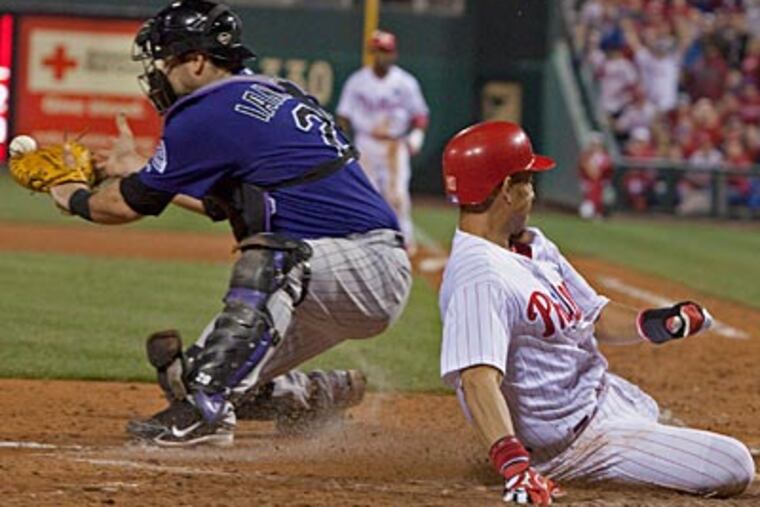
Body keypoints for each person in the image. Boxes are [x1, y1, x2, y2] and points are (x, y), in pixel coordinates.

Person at [48, 0, 411, 447]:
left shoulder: (205, 111)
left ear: (197, 61)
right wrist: (139, 168)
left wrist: (70, 193)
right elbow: (227, 205)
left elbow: (124, 208)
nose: (158, 72)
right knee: (198, 374)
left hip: (357, 263)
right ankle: (315, 395)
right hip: (336, 272)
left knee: (269, 258)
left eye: (165, 59)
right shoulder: (265, 92)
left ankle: (207, 416)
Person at [439, 121, 754, 505]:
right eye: (528, 182)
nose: (533, 193)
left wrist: (657, 323)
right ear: (507, 189)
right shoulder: (479, 275)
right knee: (733, 464)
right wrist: (515, 466)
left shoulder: (532, 244)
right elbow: (476, 380)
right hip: (573, 446)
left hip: (604, 400)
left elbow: (593, 315)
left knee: (648, 409)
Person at [336, 29, 429, 256]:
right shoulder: (358, 81)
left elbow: (420, 115)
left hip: (394, 145)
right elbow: (344, 115)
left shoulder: (405, 82)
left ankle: (404, 242)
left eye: (386, 51)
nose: (382, 56)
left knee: (397, 194)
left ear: (394, 54)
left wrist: (417, 135)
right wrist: (346, 141)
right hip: (366, 142)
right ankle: (366, 240)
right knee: (365, 193)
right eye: (378, 51)